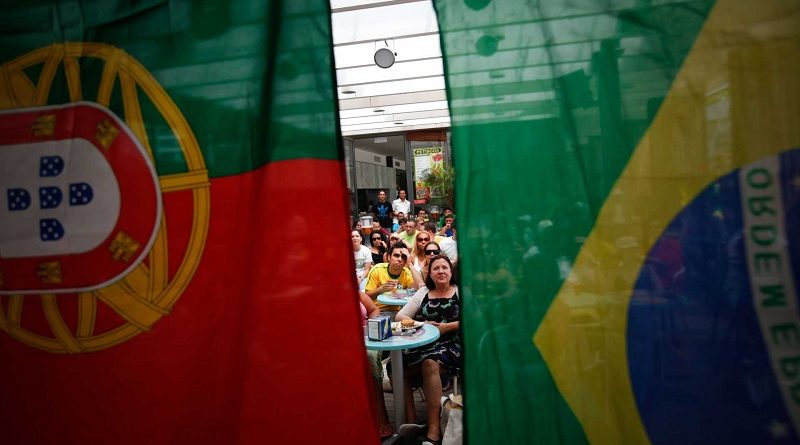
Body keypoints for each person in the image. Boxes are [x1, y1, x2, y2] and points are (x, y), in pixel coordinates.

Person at [395, 255, 461, 445]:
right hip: (423, 343)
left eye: (444, 268)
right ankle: (412, 420)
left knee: (430, 363)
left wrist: (447, 327)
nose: (441, 271)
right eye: (436, 269)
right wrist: (422, 323)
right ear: (430, 274)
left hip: (452, 345)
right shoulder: (423, 292)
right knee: (396, 365)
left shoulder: (460, 292)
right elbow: (400, 316)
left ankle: (433, 429)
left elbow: (473, 318)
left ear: (451, 271)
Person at [358, 292, 393, 439]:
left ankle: (381, 415)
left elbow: (374, 310)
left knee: (369, 357)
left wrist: (372, 326)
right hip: (341, 341)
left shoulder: (356, 293)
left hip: (368, 338)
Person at [364, 242, 424, 310]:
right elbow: (366, 296)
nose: (400, 259)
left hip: (399, 311)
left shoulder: (406, 272)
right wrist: (381, 289)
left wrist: (410, 263)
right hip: (379, 310)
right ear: (389, 257)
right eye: (396, 255)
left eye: (403, 257)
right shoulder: (377, 269)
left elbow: (421, 288)